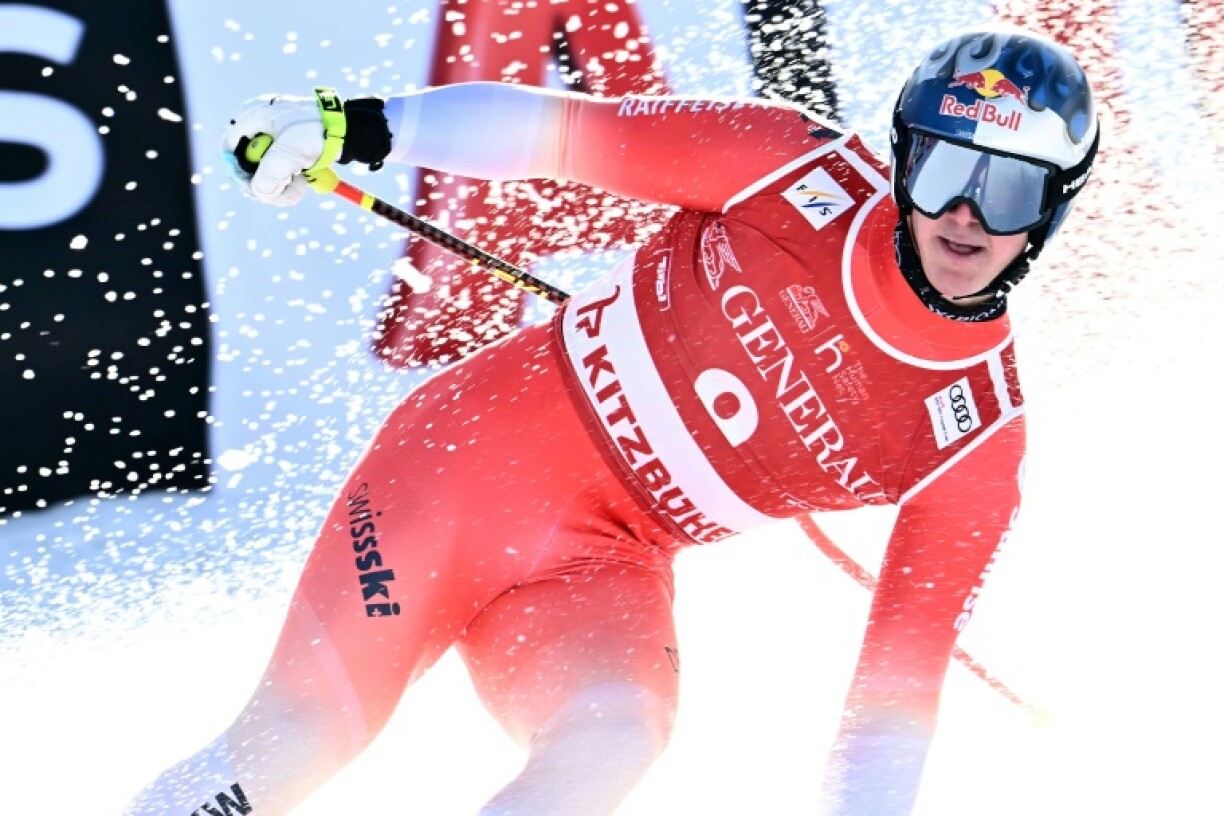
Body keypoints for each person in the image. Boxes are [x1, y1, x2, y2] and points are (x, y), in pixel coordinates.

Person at [126, 26, 1098, 816]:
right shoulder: (784, 166)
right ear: (902, 159)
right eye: (942, 173)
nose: (966, 216)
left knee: (612, 746)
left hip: (602, 569)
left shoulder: (973, 441)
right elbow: (556, 134)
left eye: (1008, 188)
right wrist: (355, 127)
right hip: (459, 470)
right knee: (292, 749)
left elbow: (889, 710)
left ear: (1052, 210)